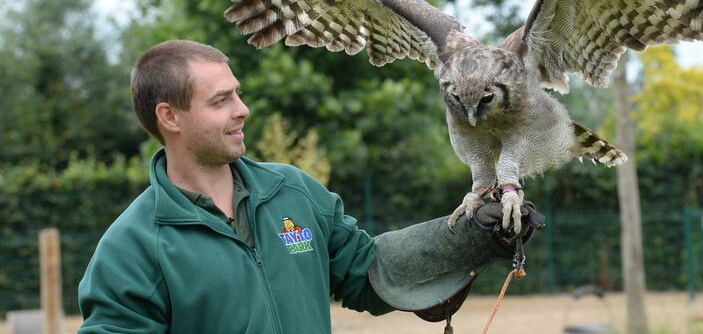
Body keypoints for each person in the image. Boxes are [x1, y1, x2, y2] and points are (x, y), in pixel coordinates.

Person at [78, 39, 540, 334]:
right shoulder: (133, 246)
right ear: (169, 117)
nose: (242, 110)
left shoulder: (292, 192)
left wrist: (463, 240)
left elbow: (368, 275)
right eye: (221, 101)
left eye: (237, 93)